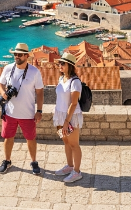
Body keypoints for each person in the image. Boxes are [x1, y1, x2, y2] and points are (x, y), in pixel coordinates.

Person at [0, 43, 44, 175]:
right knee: (8, 138)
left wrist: (39, 111)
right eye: (15, 54)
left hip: (28, 114)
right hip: (9, 112)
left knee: (31, 139)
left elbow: (40, 92)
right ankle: (7, 160)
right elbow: (0, 83)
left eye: (19, 54)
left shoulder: (35, 72)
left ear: (26, 56)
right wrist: (3, 93)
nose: (16, 56)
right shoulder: (8, 68)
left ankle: (34, 162)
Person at [53, 52, 83, 183]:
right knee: (65, 141)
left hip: (70, 117)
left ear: (69, 65)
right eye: (59, 63)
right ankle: (69, 166)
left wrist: (66, 121)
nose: (59, 65)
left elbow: (74, 103)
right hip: (60, 116)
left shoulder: (75, 82)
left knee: (74, 144)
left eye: (62, 63)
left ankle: (77, 172)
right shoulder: (61, 79)